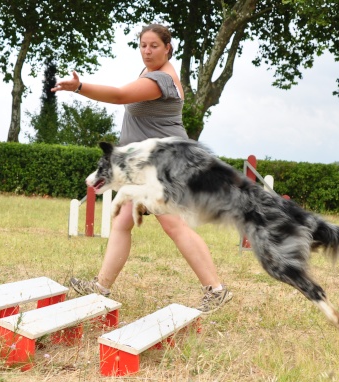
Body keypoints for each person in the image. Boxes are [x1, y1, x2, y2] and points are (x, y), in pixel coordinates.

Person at [52, 23, 232, 314]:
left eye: (154, 46)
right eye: (143, 46)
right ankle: (101, 287)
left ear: (168, 48)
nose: (147, 51)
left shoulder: (161, 79)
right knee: (123, 222)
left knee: (173, 225)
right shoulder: (149, 72)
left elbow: (121, 96)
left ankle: (216, 290)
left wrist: (80, 87)